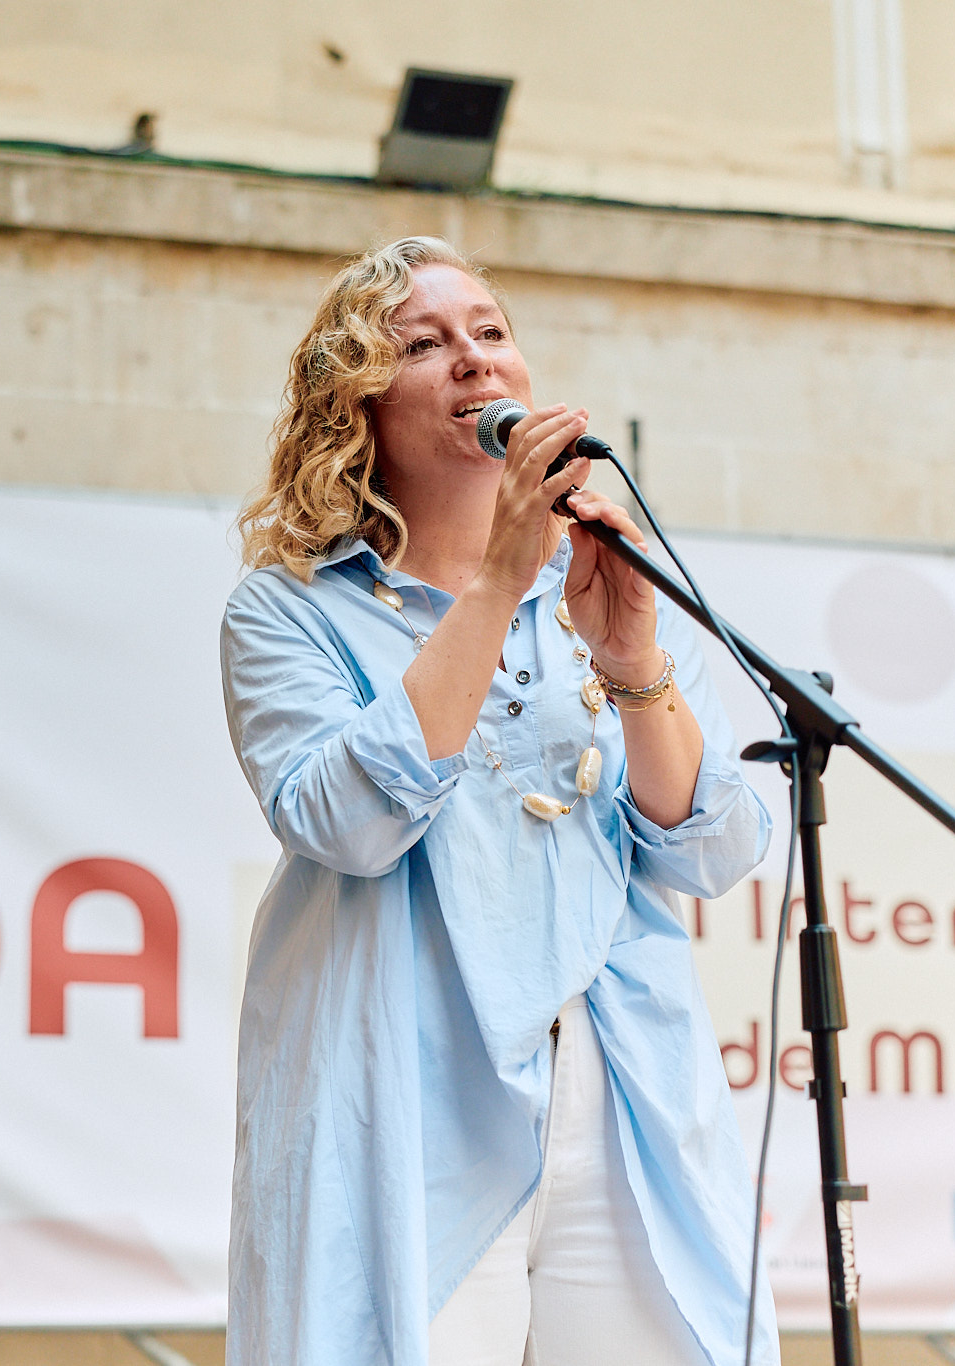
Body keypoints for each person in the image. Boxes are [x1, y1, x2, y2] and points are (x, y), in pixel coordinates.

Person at [219, 236, 777, 1366]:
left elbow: (712, 844)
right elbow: (344, 822)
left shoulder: (609, 576)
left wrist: (630, 662)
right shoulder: (283, 613)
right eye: (422, 344)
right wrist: (496, 581)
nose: (473, 360)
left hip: (614, 1084)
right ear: (357, 406)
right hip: (407, 1090)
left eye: (489, 331)